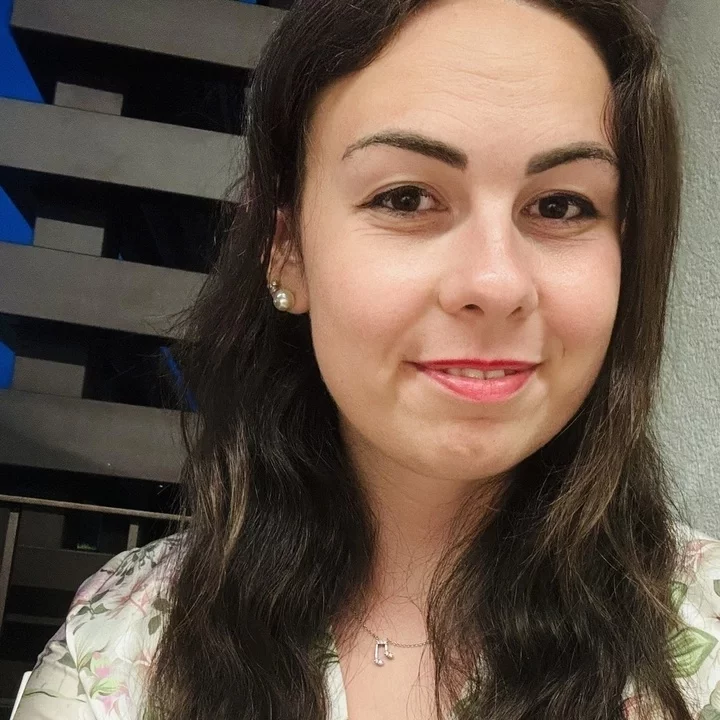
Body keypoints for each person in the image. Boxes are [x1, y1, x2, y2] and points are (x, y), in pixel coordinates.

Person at [13, 0, 720, 718]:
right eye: (406, 198)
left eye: (562, 206)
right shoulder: (123, 643)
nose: (496, 283)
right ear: (288, 253)